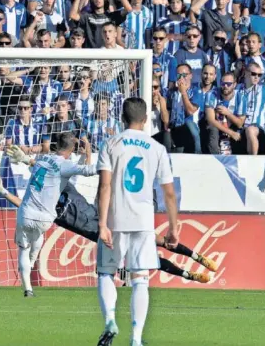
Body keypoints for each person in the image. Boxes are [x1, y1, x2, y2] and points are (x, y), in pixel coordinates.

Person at [0, 174, 215, 284]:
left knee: (161, 241)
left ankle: (198, 256)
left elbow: (53, 168)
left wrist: (27, 160)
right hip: (107, 237)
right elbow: (24, 205)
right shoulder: (48, 212)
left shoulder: (67, 188)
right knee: (148, 257)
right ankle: (189, 275)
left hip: (115, 221)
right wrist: (3, 191)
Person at [95, 98, 180, 346]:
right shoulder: (157, 148)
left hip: (115, 220)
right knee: (140, 279)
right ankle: (136, 338)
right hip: (143, 221)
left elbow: (105, 185)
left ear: (122, 117)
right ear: (146, 119)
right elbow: (169, 193)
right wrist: (174, 228)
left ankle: (110, 319)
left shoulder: (111, 143)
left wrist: (102, 224)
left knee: (106, 273)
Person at [4, 133, 98, 297]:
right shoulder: (65, 165)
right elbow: (89, 170)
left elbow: (32, 163)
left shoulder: (41, 159)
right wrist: (92, 154)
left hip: (26, 213)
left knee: (23, 249)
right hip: (45, 218)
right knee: (37, 236)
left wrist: (24, 158)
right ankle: (31, 264)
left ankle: (28, 288)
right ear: (71, 149)